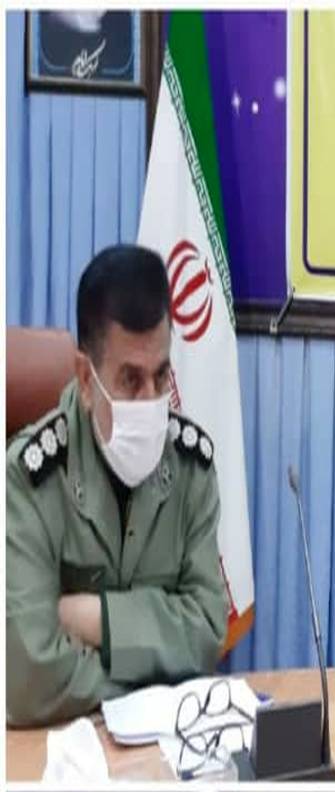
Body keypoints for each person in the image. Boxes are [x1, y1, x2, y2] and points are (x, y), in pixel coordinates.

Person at [7, 245, 228, 727]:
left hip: (164, 748)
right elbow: (27, 678)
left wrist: (96, 619)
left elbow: (210, 631)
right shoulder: (27, 478)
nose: (151, 400)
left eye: (161, 376)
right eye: (130, 380)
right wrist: (154, 675)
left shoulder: (191, 469)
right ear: (86, 380)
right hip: (58, 750)